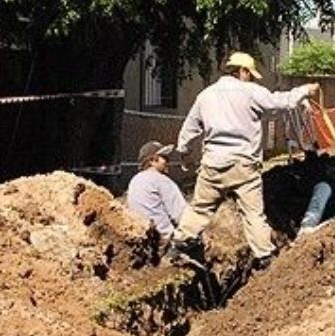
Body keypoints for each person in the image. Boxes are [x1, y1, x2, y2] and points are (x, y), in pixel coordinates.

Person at [168, 51, 320, 269]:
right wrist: (305, 90)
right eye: (250, 74)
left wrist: (184, 154)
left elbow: (189, 129)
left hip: (213, 164)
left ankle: (179, 243)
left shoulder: (206, 95)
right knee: (253, 214)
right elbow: (282, 102)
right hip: (243, 165)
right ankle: (265, 256)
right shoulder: (250, 92)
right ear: (243, 71)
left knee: (200, 208)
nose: (250, 78)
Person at [127, 141, 187, 243]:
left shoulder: (135, 180)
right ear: (152, 161)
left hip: (142, 239)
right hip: (164, 239)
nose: (168, 161)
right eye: (164, 157)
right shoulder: (162, 181)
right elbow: (181, 215)